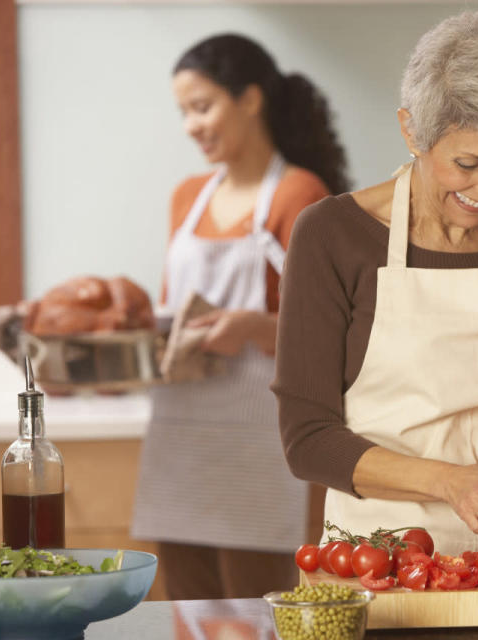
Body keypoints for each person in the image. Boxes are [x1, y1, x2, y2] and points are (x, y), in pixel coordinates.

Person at [272, 10, 478, 555]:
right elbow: (308, 441)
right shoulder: (332, 236)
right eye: (468, 162)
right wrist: (453, 481)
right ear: (412, 130)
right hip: (381, 560)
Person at [132, 33, 351, 599]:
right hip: (180, 438)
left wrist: (252, 328)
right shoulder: (186, 198)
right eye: (183, 112)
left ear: (250, 99)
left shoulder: (298, 194)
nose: (191, 125)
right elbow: (171, 315)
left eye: (202, 107)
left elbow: (333, 332)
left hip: (261, 444)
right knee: (185, 607)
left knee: (257, 609)